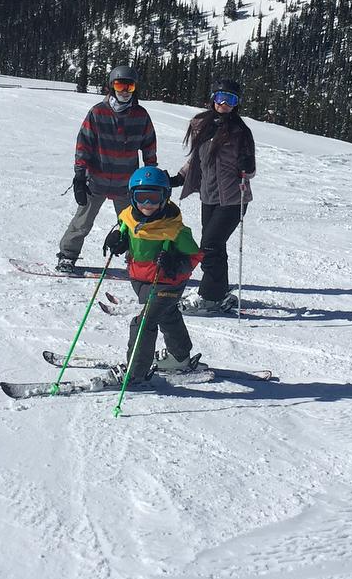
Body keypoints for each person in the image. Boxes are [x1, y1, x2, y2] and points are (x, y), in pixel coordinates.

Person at [102, 166, 203, 383]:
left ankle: (134, 374)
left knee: (143, 323)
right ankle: (179, 356)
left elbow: (195, 256)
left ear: (165, 197)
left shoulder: (175, 230)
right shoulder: (127, 218)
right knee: (166, 314)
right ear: (132, 196)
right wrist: (118, 241)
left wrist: (176, 263)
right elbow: (124, 232)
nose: (147, 204)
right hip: (140, 279)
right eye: (142, 197)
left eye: (154, 198)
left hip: (167, 282)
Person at [55, 64, 157, 274]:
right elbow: (84, 144)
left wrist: (150, 174)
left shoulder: (141, 115)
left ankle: (139, 261)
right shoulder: (98, 112)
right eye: (120, 85)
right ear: (111, 87)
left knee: (134, 225)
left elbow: (149, 145)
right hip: (97, 180)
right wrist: (79, 175)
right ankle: (67, 255)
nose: (124, 91)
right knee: (82, 222)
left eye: (129, 87)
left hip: (127, 183)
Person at [173, 77, 256, 314]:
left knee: (209, 244)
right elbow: (196, 159)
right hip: (208, 196)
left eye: (230, 100)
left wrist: (246, 163)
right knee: (215, 246)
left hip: (233, 199)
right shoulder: (202, 124)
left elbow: (250, 171)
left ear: (237, 104)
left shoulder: (241, 131)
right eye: (221, 98)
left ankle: (210, 296)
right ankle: (218, 291)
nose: (224, 104)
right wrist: (179, 177)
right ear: (213, 98)